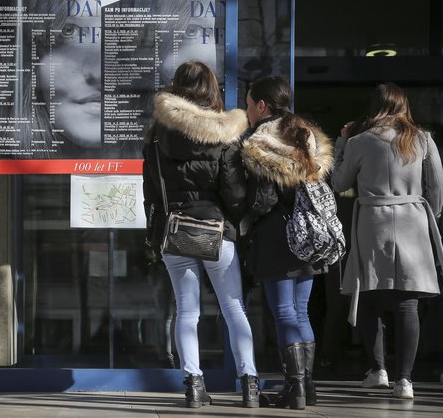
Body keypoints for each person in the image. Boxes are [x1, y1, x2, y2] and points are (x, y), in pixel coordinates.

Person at [142, 61, 260, 408]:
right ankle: (250, 385)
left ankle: (194, 385)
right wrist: (232, 219)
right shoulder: (224, 136)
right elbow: (236, 194)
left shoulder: (156, 137)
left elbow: (150, 192)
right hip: (216, 230)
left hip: (175, 231)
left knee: (187, 312)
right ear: (211, 91)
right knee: (234, 309)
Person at [330, 82, 443, 400]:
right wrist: (426, 216)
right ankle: (405, 380)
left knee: (370, 297)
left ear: (375, 107)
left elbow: (339, 182)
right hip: (412, 221)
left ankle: (377, 370)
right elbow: (437, 187)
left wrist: (341, 142)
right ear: (403, 106)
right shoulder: (422, 140)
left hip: (372, 222)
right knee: (408, 303)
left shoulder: (360, 141)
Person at [240, 75, 334, 410]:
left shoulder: (259, 141)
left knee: (283, 313)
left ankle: (293, 390)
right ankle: (306, 388)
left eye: (250, 104)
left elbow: (261, 200)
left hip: (276, 236)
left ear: (262, 105)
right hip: (307, 235)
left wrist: (244, 219)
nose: (247, 111)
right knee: (300, 312)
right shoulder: (304, 135)